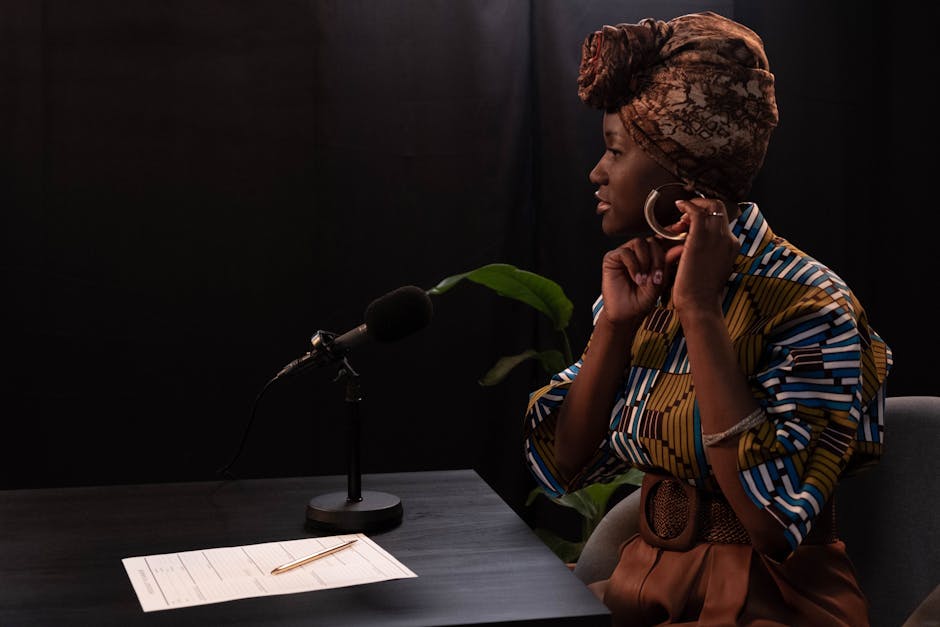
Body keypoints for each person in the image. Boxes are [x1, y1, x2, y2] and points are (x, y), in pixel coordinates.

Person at [522, 11, 893, 626]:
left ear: (685, 174)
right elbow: (564, 466)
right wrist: (614, 326)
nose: (597, 172)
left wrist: (699, 311)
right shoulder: (645, 287)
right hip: (645, 582)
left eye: (615, 150)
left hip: (772, 602)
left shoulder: (811, 304)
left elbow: (770, 521)